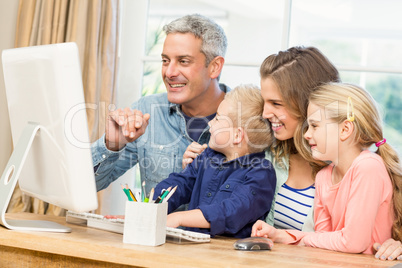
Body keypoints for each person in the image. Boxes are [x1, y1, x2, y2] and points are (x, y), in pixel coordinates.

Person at [183, 46, 402, 260]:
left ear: (309, 104)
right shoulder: (264, 152)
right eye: (265, 101)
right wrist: (200, 168)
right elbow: (222, 206)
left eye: (276, 103)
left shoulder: (357, 164)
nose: (266, 112)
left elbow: (363, 235)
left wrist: (397, 243)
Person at [251, 82, 402, 256]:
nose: (307, 134)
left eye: (315, 126)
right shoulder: (324, 177)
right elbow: (322, 239)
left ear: (345, 129)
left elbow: (354, 242)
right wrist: (278, 235)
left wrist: (295, 237)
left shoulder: (368, 167)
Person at [92, 14, 229, 194]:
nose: (169, 72)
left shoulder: (251, 116)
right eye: (165, 60)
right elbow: (85, 186)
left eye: (183, 61)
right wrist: (111, 145)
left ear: (214, 67)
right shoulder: (146, 111)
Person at [153, 85, 276, 238]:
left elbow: (230, 211)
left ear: (237, 135)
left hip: (228, 257)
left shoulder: (261, 173)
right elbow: (181, 183)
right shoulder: (208, 157)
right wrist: (153, 202)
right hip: (192, 250)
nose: (210, 123)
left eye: (217, 118)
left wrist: (179, 217)